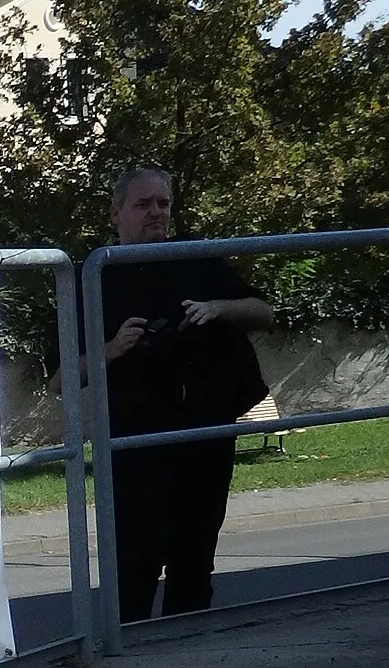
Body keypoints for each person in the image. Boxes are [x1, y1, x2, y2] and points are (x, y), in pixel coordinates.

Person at [93, 166, 274, 621]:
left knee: (195, 559)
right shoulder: (94, 275)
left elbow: (263, 311)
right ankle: (126, 657)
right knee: (135, 563)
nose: (156, 213)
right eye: (142, 204)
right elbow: (60, 376)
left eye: (163, 204)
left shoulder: (196, 258)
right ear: (116, 213)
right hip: (135, 444)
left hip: (205, 436)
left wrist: (218, 308)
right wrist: (112, 349)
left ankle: (187, 655)